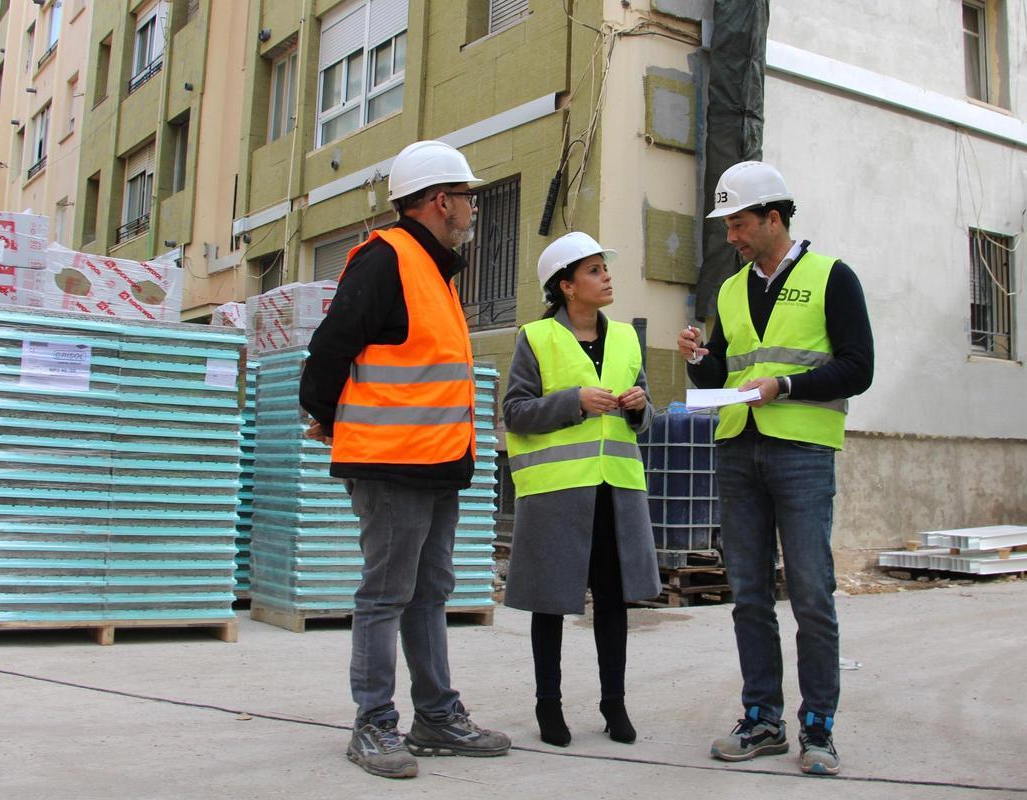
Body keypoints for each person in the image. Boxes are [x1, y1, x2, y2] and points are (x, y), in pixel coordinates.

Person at [299, 140, 511, 779]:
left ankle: (436, 716)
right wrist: (331, 417)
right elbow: (328, 351)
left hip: (436, 460)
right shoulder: (386, 259)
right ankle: (373, 722)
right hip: (392, 464)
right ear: (441, 201)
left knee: (429, 591)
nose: (472, 208)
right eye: (467, 197)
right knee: (386, 594)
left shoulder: (434, 269)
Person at [678, 161, 874, 777]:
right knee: (749, 594)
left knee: (811, 593)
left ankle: (818, 728)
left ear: (773, 217)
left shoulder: (831, 278)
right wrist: (699, 360)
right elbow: (724, 373)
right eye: (727, 225)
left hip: (802, 453)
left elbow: (859, 368)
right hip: (738, 449)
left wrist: (785, 386)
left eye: (738, 223)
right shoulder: (730, 290)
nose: (731, 236)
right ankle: (761, 718)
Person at [502, 232, 661, 748]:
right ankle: (548, 706)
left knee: (613, 603)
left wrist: (640, 406)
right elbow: (514, 412)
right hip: (557, 493)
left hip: (616, 491)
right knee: (550, 604)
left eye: (604, 268)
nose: (606, 276)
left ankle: (614, 704)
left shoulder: (627, 338)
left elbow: (647, 417)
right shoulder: (536, 337)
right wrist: (575, 401)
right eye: (594, 270)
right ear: (567, 286)